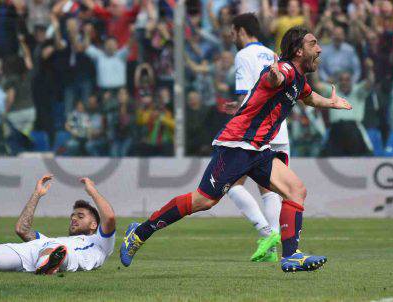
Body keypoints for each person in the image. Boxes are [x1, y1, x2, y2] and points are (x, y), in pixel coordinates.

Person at [120, 26, 352, 273]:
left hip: (259, 149)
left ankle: (291, 255)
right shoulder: (284, 70)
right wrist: (274, 76)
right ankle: (139, 233)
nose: (319, 49)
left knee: (296, 190)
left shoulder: (299, 80)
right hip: (237, 144)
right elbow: (275, 79)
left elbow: (309, 98)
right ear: (297, 51)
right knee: (204, 201)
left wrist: (331, 102)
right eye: (313, 44)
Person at [225, 13, 290, 263]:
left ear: (241, 31)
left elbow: (245, 95)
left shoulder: (243, 55)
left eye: (233, 32)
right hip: (279, 128)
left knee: (230, 183)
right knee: (269, 187)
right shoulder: (272, 54)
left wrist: (238, 111)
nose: (232, 37)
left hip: (256, 130)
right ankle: (272, 246)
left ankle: (266, 231)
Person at [0, 175, 116, 274]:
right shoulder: (50, 240)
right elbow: (22, 229)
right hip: (35, 250)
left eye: (80, 216)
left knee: (56, 248)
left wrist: (92, 190)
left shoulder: (101, 242)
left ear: (94, 225)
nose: (74, 218)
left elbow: (109, 217)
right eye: (73, 216)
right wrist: (37, 195)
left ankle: (47, 264)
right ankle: (46, 264)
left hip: (62, 253)